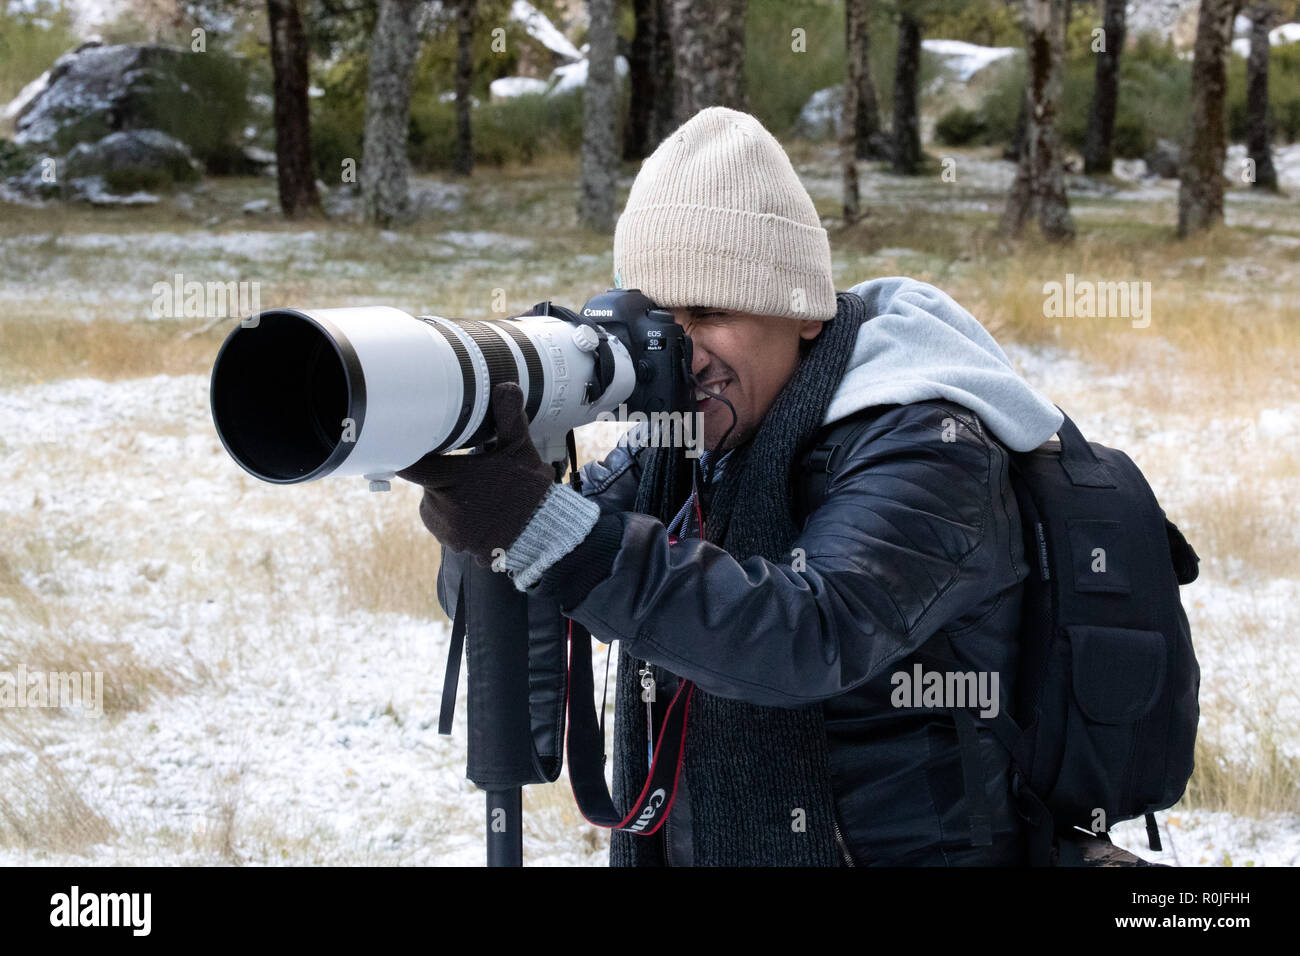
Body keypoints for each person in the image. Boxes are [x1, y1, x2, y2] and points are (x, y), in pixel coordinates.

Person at [398, 106, 1064, 866]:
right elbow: (522, 585)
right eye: (659, 321)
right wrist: (490, 480)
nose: (688, 356)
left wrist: (542, 527)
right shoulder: (683, 442)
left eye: (712, 313)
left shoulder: (927, 441)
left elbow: (810, 635)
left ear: (804, 312)